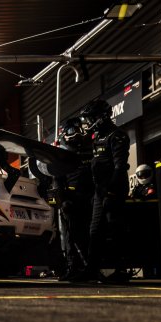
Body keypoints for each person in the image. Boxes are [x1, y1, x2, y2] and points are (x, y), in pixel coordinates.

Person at [72, 99, 131, 283]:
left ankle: (121, 271)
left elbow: (120, 167)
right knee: (95, 231)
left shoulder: (117, 136)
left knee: (115, 229)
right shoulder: (97, 138)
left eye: (91, 118)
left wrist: (111, 192)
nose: (88, 123)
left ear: (102, 117)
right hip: (99, 191)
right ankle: (91, 270)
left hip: (114, 190)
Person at [54, 117, 94, 281]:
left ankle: (90, 267)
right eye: (72, 130)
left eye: (78, 129)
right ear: (64, 133)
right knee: (70, 236)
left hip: (90, 199)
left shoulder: (89, 148)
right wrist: (62, 201)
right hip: (70, 201)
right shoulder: (61, 154)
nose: (76, 133)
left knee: (90, 234)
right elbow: (57, 180)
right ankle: (73, 267)